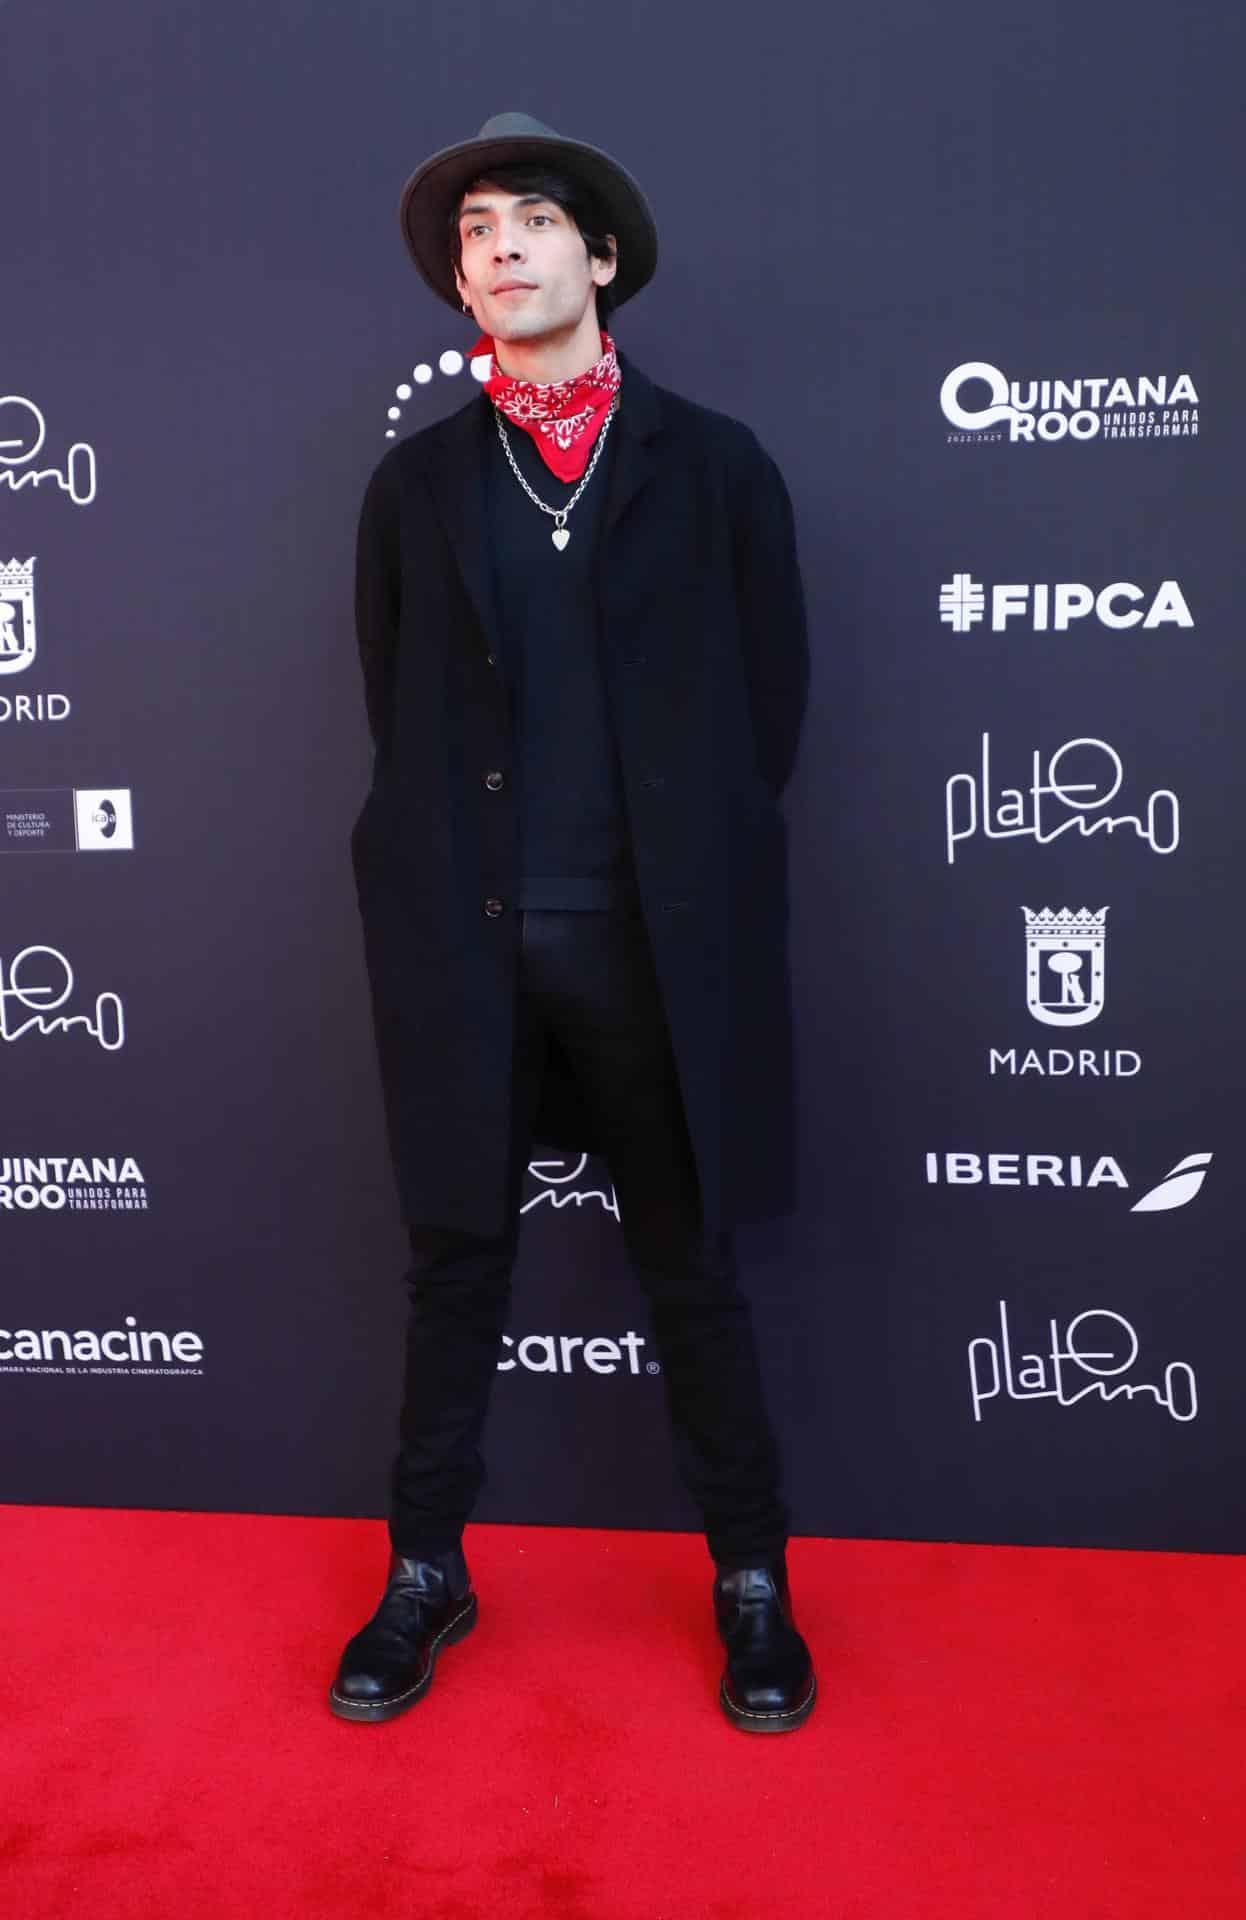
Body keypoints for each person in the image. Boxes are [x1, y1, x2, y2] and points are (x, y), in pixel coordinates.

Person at [330, 113, 814, 1733]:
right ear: (463, 281)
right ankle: (424, 1572)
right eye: (477, 233)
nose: (504, 250)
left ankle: (752, 1581)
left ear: (600, 259)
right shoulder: (416, 487)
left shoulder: (719, 466)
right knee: (455, 1267)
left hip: (654, 948)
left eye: (535, 222)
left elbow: (770, 708)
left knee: (693, 1273)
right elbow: (393, 709)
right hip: (468, 945)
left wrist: (674, 863)